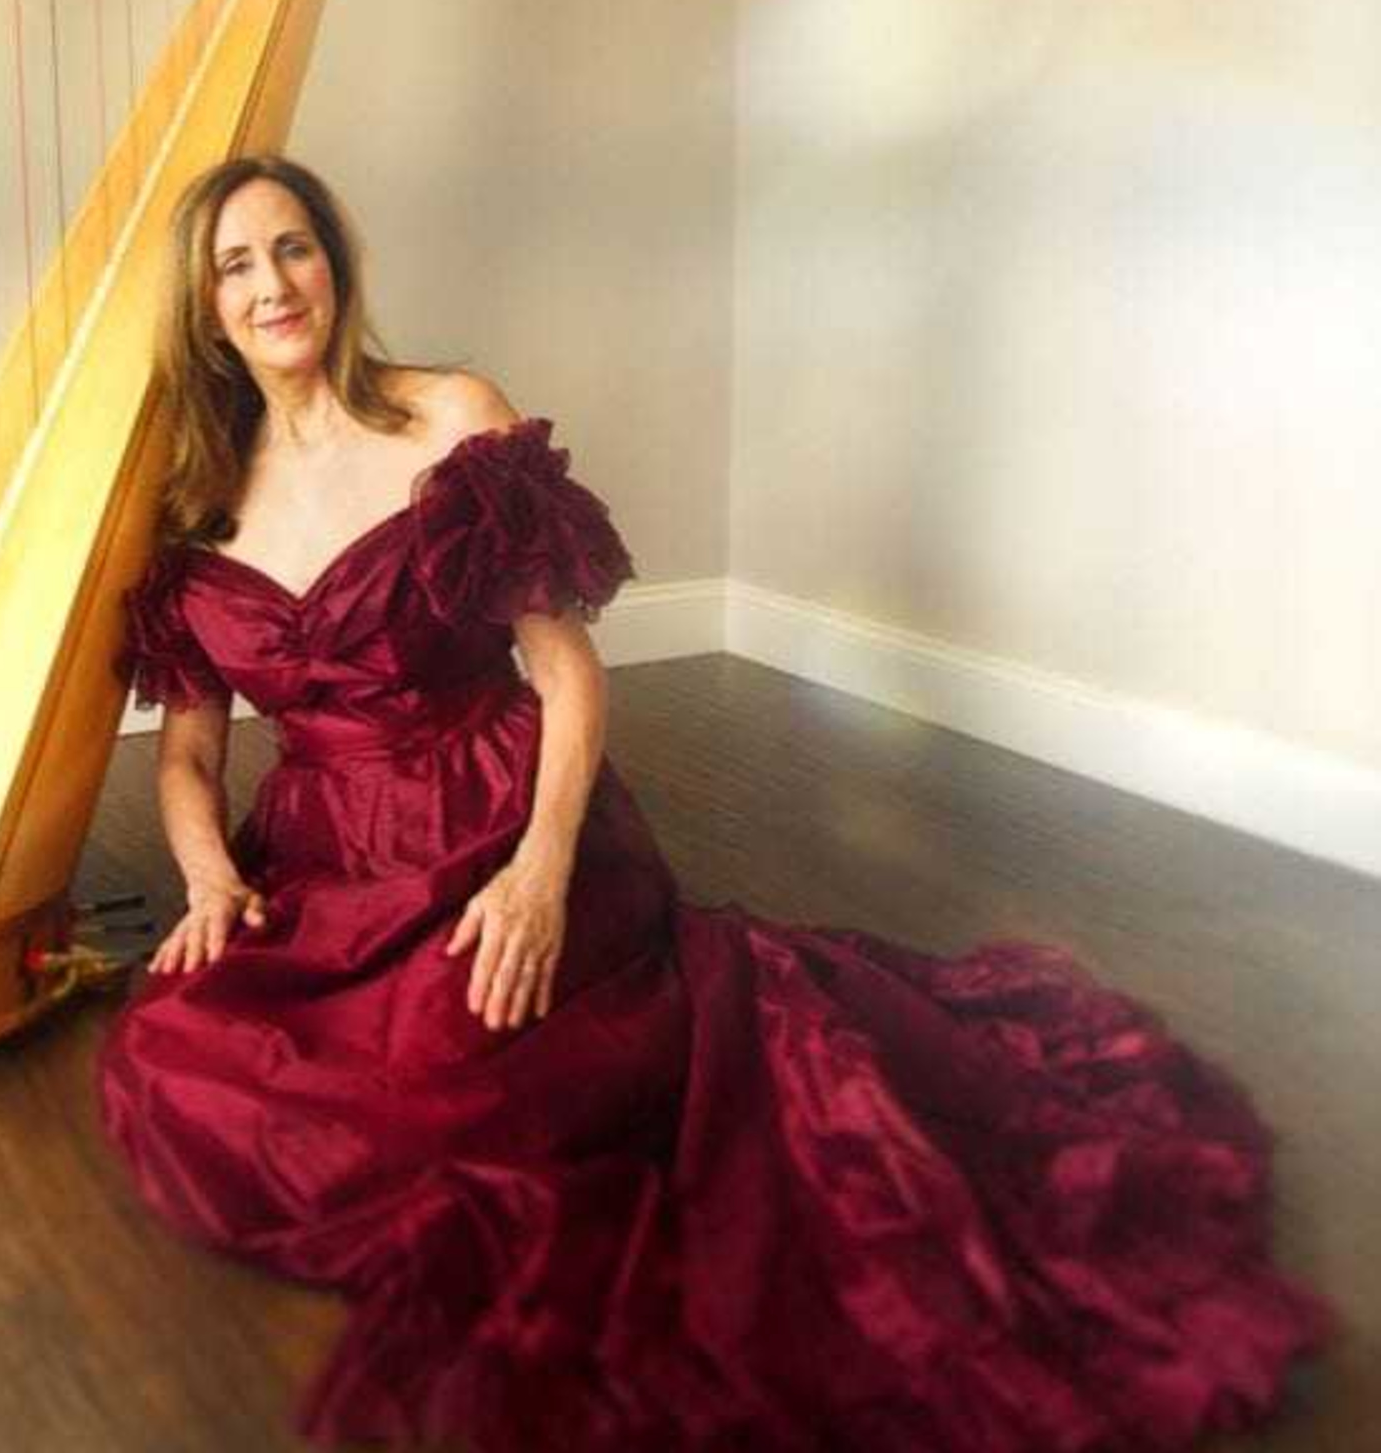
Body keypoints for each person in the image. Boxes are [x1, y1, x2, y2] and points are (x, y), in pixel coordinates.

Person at [94, 153, 1335, 1453]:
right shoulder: (198, 504)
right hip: (323, 861)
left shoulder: (449, 414)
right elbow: (190, 758)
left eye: (293, 246)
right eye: (237, 264)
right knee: (175, 1054)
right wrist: (211, 880)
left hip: (489, 818)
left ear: (336, 262)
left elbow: (564, 669)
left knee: (448, 1084)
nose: (273, 283)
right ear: (208, 307)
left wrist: (540, 867)